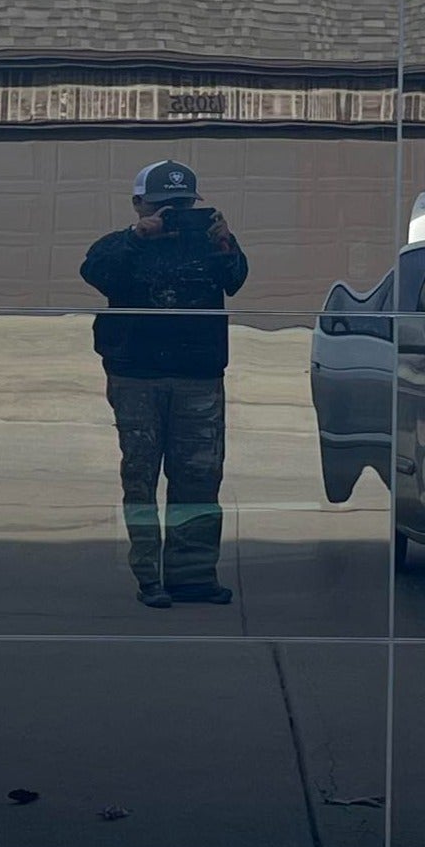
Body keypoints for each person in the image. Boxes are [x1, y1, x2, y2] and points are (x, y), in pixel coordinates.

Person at [79, 159, 250, 608]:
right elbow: (96, 272)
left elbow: (236, 280)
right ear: (138, 204)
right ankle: (148, 577)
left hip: (198, 375)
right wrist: (139, 238)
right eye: (162, 207)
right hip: (136, 375)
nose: (173, 215)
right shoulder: (121, 245)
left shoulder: (210, 244)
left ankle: (193, 577)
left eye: (182, 206)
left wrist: (226, 244)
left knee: (199, 476)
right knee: (141, 477)